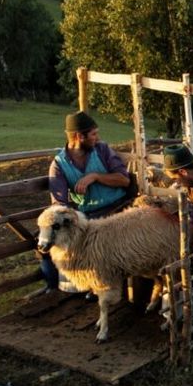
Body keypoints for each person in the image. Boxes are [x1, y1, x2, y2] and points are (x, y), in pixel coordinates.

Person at [40, 111, 132, 292]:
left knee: (104, 241)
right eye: (93, 134)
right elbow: (59, 203)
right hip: (87, 215)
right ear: (79, 136)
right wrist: (68, 219)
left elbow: (124, 180)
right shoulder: (58, 164)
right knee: (46, 241)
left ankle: (102, 284)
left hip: (118, 207)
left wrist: (95, 176)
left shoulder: (102, 150)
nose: (97, 138)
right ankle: (55, 287)